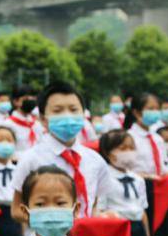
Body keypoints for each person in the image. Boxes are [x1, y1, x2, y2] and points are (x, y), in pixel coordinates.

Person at [11, 82, 108, 222]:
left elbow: (95, 205)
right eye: (58, 111)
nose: (68, 116)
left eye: (74, 110)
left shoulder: (95, 160)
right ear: (43, 119)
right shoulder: (31, 159)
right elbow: (16, 210)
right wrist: (50, 223)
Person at [121, 93, 168, 236]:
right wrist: (146, 177)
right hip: (138, 185)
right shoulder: (129, 137)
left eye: (156, 107)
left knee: (154, 235)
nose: (154, 112)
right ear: (137, 112)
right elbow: (125, 165)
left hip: (158, 188)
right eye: (149, 108)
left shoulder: (157, 138)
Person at [7, 85, 42, 154]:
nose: (30, 101)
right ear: (16, 102)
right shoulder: (8, 125)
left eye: (33, 98)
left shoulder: (36, 124)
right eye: (26, 99)